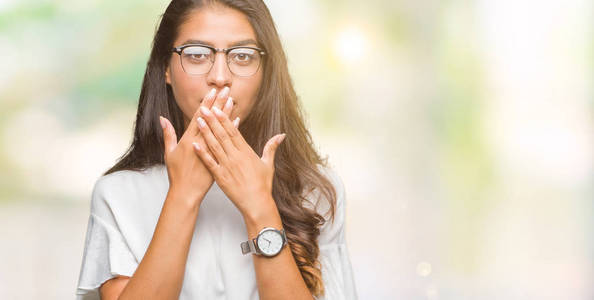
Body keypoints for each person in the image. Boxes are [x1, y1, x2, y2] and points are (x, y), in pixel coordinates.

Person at [75, 0, 357, 299]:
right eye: (196, 55)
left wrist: (259, 207)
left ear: (266, 73)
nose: (220, 77)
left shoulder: (317, 191)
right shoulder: (118, 194)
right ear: (166, 69)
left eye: (243, 56)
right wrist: (183, 195)